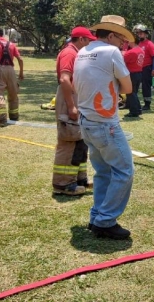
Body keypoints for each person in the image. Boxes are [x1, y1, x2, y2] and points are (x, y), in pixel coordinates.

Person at [74, 15, 134, 240]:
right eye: (121, 38)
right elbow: (127, 86)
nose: (123, 43)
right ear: (110, 35)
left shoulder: (82, 51)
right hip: (105, 124)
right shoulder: (111, 52)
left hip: (86, 121)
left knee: (103, 172)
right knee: (124, 171)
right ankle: (105, 221)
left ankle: (97, 215)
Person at [51, 26, 96, 196]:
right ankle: (62, 184)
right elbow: (64, 79)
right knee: (68, 139)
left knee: (79, 139)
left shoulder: (76, 52)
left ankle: (79, 179)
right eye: (89, 40)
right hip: (68, 97)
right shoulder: (69, 53)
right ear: (82, 39)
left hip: (76, 96)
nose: (90, 44)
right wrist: (71, 105)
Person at [133, 24, 154, 111]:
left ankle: (147, 104)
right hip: (139, 68)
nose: (140, 35)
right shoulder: (139, 43)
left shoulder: (149, 44)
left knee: (146, 86)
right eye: (138, 33)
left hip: (147, 68)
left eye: (141, 33)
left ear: (146, 34)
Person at [123, 40, 145, 118]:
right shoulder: (141, 50)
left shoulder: (131, 52)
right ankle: (138, 109)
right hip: (139, 73)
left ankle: (134, 111)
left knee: (131, 93)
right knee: (134, 92)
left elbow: (122, 59)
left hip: (132, 73)